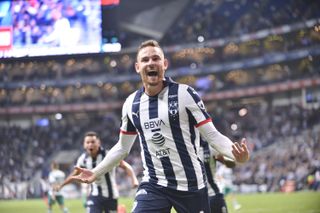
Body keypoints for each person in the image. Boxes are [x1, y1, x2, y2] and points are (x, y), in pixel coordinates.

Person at [64, 40, 250, 212]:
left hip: (191, 185)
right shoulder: (131, 104)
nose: (151, 63)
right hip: (154, 184)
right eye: (145, 60)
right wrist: (96, 172)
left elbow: (213, 135)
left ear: (164, 64)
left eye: (156, 58)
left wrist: (235, 154)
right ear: (138, 67)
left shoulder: (185, 94)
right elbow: (122, 147)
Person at [59, 131, 139, 213]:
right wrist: (61, 185)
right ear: (84, 144)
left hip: (111, 196)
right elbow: (73, 175)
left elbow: (126, 166)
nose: (90, 144)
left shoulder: (108, 155)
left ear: (98, 143)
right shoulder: (83, 159)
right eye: (88, 142)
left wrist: (134, 179)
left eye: (93, 142)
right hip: (95, 195)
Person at [199, 137, 237, 213]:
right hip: (195, 198)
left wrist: (225, 157)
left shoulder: (210, 147)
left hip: (214, 195)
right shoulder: (184, 149)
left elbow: (231, 163)